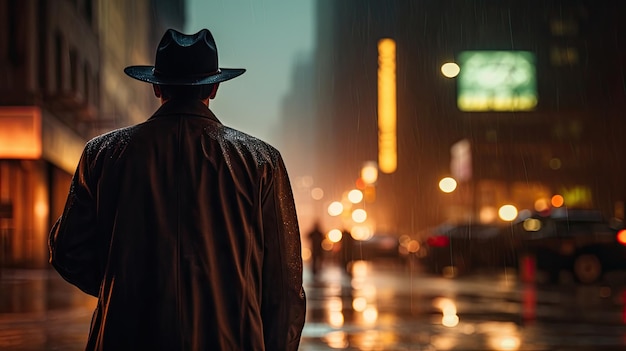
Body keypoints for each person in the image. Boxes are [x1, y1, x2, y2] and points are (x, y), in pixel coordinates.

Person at [48, 28, 306, 351]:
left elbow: (66, 251)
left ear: (156, 86)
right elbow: (285, 288)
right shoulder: (262, 163)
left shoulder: (103, 155)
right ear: (214, 87)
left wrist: (125, 285)